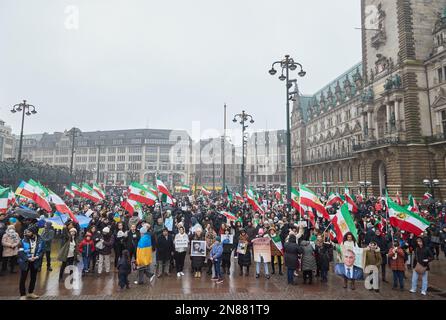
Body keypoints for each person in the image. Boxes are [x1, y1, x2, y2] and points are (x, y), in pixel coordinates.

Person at [18, 226, 44, 300]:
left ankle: (30, 292)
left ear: (34, 232)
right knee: (23, 278)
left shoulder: (40, 240)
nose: (27, 233)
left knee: (33, 278)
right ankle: (22, 294)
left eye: (29, 232)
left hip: (35, 261)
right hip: (25, 261)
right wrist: (27, 258)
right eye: (26, 231)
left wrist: (37, 257)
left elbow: (42, 250)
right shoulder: (23, 240)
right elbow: (20, 251)